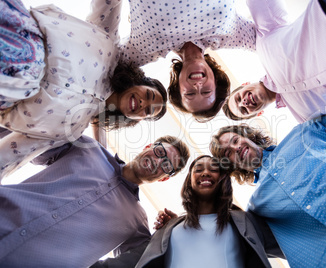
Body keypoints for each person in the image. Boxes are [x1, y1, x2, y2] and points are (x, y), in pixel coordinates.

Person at [210, 111, 326, 267]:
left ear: (247, 136)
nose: (235, 148)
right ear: (231, 166)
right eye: (228, 153)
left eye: (235, 140)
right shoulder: (257, 209)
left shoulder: (303, 134)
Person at [0, 0, 167, 178]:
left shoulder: (72, 130)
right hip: (15, 29)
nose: (143, 103)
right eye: (148, 95)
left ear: (136, 119)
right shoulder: (109, 44)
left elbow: (16, 152)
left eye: (148, 111)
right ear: (139, 82)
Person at [0, 134, 190, 267]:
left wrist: (167, 231)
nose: (157, 162)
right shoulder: (87, 147)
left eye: (166, 165)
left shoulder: (138, 223)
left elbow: (143, 261)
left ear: (164, 177)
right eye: (159, 153)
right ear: (148, 147)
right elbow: (29, 143)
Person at [94, 155, 284, 267]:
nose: (205, 172)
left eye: (213, 169)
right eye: (198, 169)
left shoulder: (245, 221)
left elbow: (291, 243)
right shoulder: (170, 228)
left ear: (223, 179)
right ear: (190, 181)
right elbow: (133, 260)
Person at [119, 0, 256, 121]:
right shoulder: (227, 34)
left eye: (190, 93)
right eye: (206, 92)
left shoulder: (147, 47)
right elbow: (270, 40)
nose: (197, 86)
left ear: (178, 87)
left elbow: (108, 66)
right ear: (215, 82)